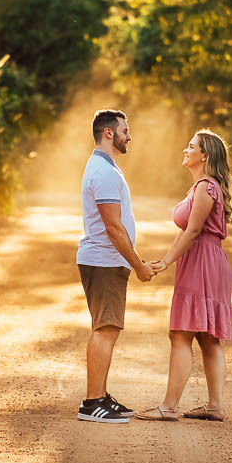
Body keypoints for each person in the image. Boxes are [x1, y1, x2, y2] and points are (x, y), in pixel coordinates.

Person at [136, 129, 232, 422]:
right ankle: (215, 406)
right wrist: (168, 259)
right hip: (208, 260)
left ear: (204, 155)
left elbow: (192, 231)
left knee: (181, 333)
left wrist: (167, 261)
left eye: (191, 146)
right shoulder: (203, 187)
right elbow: (187, 231)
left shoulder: (205, 188)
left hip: (202, 261)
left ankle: (169, 407)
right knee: (207, 337)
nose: (185, 149)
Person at [76, 109, 156, 424]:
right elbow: (113, 227)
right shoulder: (104, 172)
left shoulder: (105, 167)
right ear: (109, 133)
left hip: (107, 261)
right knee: (105, 330)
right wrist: (138, 265)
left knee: (107, 329)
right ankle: (92, 403)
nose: (129, 136)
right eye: (125, 130)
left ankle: (100, 395)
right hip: (104, 261)